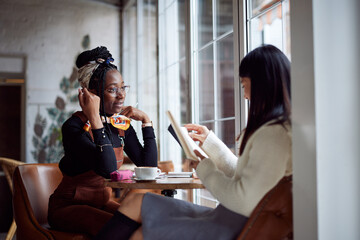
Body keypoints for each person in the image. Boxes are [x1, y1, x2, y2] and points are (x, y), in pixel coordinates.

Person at [94, 44, 292, 240]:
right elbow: (243, 174)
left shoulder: (273, 135)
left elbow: (243, 199)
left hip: (236, 224)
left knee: (141, 233)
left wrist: (204, 168)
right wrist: (210, 142)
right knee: (136, 200)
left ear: (261, 84)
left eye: (243, 84)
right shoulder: (274, 130)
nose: (245, 94)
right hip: (229, 215)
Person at [47, 46, 158, 237]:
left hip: (101, 203)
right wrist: (96, 119)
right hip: (67, 207)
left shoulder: (120, 125)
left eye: (123, 87)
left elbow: (148, 165)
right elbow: (107, 167)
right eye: (112, 90)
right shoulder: (73, 127)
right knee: (119, 229)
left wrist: (147, 122)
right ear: (92, 93)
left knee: (147, 223)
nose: (121, 95)